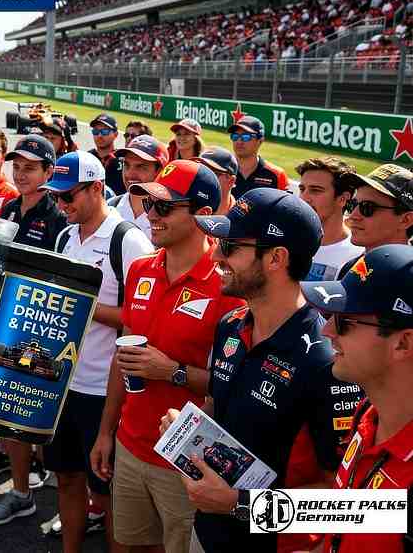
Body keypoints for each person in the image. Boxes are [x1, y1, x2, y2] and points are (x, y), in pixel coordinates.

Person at [171, 188, 365, 552]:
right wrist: (187, 432)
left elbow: (346, 504)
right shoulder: (231, 323)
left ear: (276, 258)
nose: (215, 254)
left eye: (230, 247)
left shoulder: (327, 361)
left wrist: (238, 504)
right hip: (208, 532)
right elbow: (220, 409)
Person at [93, 160, 243, 553]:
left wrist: (174, 372)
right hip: (129, 445)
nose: (149, 215)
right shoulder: (141, 269)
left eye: (164, 207)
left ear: (205, 216)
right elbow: (122, 357)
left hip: (187, 459)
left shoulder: (228, 283)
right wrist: (106, 431)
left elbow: (237, 387)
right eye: (148, 204)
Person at [39, 151, 153, 553]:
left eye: (68, 196)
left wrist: (79, 304)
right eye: (56, 197)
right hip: (61, 385)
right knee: (67, 479)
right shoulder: (63, 237)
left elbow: (141, 320)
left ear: (97, 189)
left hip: (105, 391)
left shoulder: (129, 240)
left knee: (107, 496)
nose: (61, 205)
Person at [304, 244, 413, 553]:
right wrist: (240, 504)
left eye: (344, 321)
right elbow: (360, 512)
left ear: (403, 343)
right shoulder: (368, 413)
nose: (326, 331)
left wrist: (240, 505)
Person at [0, 135, 65, 526]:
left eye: (31, 167)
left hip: (46, 332)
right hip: (9, 324)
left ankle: (49, 480)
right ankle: (21, 493)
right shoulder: (9, 207)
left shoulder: (59, 216)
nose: (21, 173)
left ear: (49, 172)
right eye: (17, 166)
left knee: (45, 416)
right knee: (11, 411)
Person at [296, 157, 363, 280]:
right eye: (302, 189)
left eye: (315, 190)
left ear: (342, 199)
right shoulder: (284, 241)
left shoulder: (358, 256)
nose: (304, 198)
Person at [339, 164, 413, 274]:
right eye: (352, 205)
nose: (353, 216)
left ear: (406, 220)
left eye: (367, 207)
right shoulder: (349, 268)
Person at [109, 135, 168, 242]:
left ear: (160, 171)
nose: (130, 174)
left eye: (141, 167)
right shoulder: (110, 207)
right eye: (126, 165)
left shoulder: (171, 217)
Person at [228, 115, 289, 199]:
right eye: (235, 136)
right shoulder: (222, 169)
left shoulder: (277, 175)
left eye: (246, 137)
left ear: (260, 141)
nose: (239, 141)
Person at [192, 148, 238, 215]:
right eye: (200, 170)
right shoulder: (183, 207)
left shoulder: (240, 218)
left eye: (212, 173)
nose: (202, 178)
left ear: (231, 181)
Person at [89, 113, 125, 195]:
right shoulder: (87, 158)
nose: (100, 135)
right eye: (96, 131)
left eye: (105, 131)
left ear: (115, 134)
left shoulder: (123, 161)